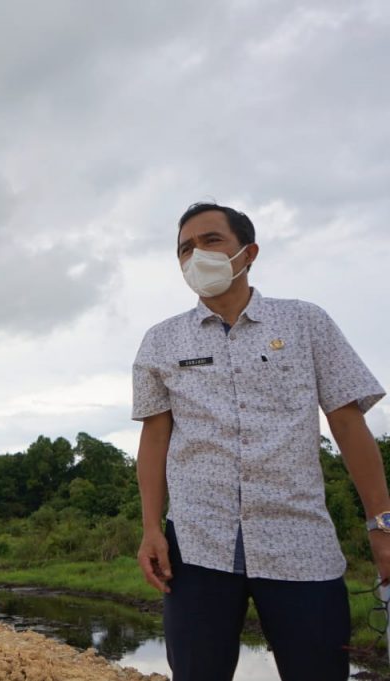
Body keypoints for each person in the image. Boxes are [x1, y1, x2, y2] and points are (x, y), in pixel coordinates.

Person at [132, 202, 389, 680]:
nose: (196, 256)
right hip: (196, 546)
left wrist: (382, 524)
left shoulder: (306, 323)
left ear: (248, 253)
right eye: (184, 249)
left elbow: (349, 424)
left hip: (300, 542)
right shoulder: (161, 342)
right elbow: (154, 440)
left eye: (211, 241)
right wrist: (150, 528)